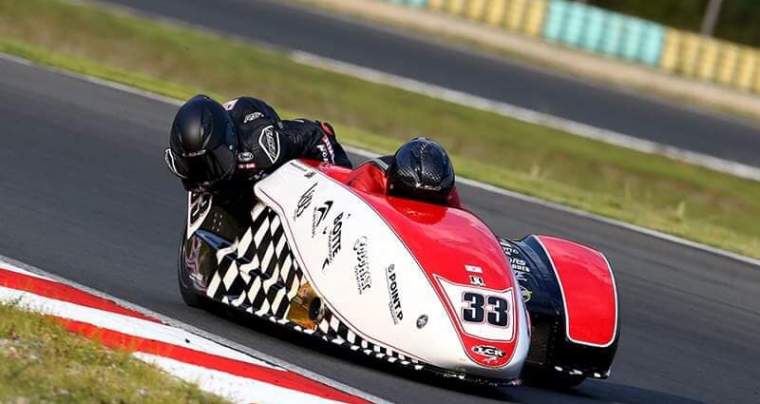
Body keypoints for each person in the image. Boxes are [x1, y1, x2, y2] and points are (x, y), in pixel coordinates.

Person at [164, 94, 352, 194]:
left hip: (259, 126)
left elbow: (317, 133)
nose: (202, 175)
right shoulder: (183, 164)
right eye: (193, 167)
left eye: (212, 162)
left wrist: (341, 184)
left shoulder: (262, 147)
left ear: (229, 145)